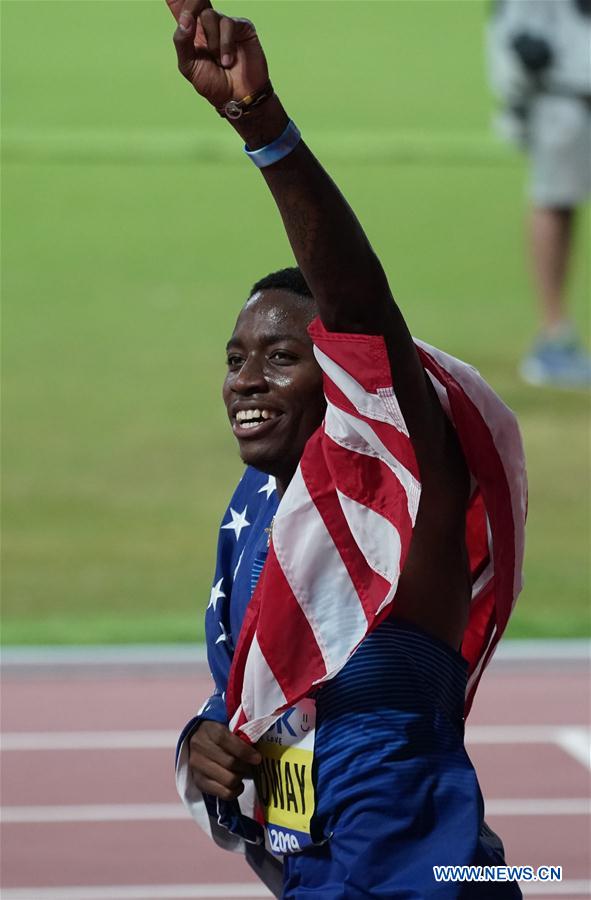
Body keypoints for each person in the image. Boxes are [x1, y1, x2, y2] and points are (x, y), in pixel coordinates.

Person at [166, 1, 527, 896]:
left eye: (282, 358)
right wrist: (201, 747)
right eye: (235, 359)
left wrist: (262, 126)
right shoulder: (260, 521)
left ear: (342, 381)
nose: (246, 380)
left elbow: (363, 317)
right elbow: (252, 698)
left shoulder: (409, 491)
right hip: (318, 873)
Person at [487, 0, 591, 388]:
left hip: (566, 81)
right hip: (562, 89)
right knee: (555, 202)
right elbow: (518, 30)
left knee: (557, 203)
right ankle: (554, 337)